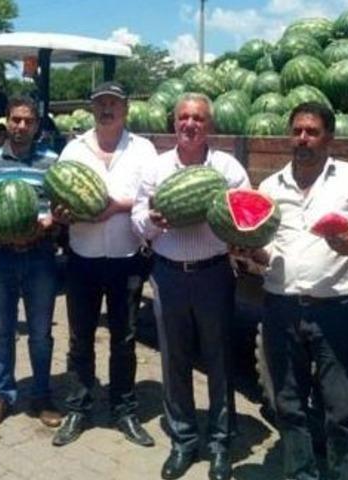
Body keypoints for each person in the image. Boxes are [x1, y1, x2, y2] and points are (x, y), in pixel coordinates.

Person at [245, 102, 348, 480]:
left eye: (312, 131)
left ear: (329, 137)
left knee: (343, 409)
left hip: (336, 309)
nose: (303, 139)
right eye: (297, 131)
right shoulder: (270, 187)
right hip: (280, 307)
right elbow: (264, 247)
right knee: (288, 405)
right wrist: (252, 251)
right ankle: (300, 474)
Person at [132, 93, 249, 480]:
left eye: (198, 118)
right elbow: (137, 218)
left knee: (219, 360)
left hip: (214, 272)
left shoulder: (227, 167)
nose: (190, 124)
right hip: (168, 274)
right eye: (184, 117)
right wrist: (154, 221)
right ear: (174, 123)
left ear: (209, 125)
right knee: (175, 361)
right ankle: (183, 441)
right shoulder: (157, 168)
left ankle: (219, 444)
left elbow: (243, 211)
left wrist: (224, 220)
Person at [51, 81, 155, 449]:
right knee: (80, 338)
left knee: (124, 339)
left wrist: (116, 207)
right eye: (100, 103)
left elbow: (151, 198)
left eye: (113, 103)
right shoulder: (73, 150)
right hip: (82, 258)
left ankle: (123, 409)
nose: (106, 109)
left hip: (127, 260)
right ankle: (78, 408)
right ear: (92, 109)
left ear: (126, 108)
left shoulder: (143, 149)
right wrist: (61, 214)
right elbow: (57, 199)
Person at [0, 96, 62, 431]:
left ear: (37, 125)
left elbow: (62, 204)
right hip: (0, 255)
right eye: (16, 120)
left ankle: (41, 395)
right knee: (2, 331)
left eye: (28, 121)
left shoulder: (51, 161)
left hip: (39, 254)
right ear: (7, 121)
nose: (21, 126)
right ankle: (2, 396)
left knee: (40, 333)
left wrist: (51, 220)